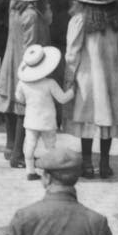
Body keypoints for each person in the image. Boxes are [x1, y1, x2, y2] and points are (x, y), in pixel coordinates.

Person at [65, 0, 118, 180]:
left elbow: (72, 52)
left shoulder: (79, 20)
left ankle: (86, 163)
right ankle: (104, 163)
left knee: (87, 121)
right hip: (112, 76)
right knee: (106, 121)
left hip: (86, 77)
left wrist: (69, 78)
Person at [0, 0, 59, 169]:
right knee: (26, 109)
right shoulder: (33, 16)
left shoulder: (14, 6)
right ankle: (18, 153)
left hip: (11, 58)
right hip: (27, 63)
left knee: (11, 105)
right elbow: (32, 46)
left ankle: (9, 145)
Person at [17, 47, 75, 180]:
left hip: (31, 119)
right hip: (47, 121)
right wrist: (73, 91)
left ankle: (30, 171)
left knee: (30, 144)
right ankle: (50, 171)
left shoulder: (22, 83)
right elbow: (62, 99)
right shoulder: (50, 83)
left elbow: (19, 98)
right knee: (50, 146)